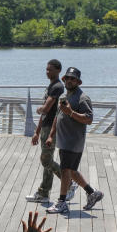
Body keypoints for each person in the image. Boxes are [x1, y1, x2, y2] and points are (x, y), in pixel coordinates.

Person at [46, 67, 105, 215]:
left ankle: (61, 202)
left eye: (73, 78)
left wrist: (71, 113)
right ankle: (92, 193)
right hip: (64, 140)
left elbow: (89, 119)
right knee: (71, 171)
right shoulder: (65, 97)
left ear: (78, 81)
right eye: (68, 78)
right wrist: (51, 135)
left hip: (73, 141)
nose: (70, 80)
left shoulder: (82, 98)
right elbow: (57, 117)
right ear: (64, 79)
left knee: (65, 170)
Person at [26, 59, 77, 203]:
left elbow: (46, 108)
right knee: (47, 160)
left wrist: (39, 108)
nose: (47, 72)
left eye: (50, 69)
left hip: (52, 129)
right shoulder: (50, 86)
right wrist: (37, 131)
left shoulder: (57, 87)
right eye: (46, 69)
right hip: (45, 127)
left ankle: (69, 183)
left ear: (58, 70)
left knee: (46, 159)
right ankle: (44, 193)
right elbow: (45, 114)